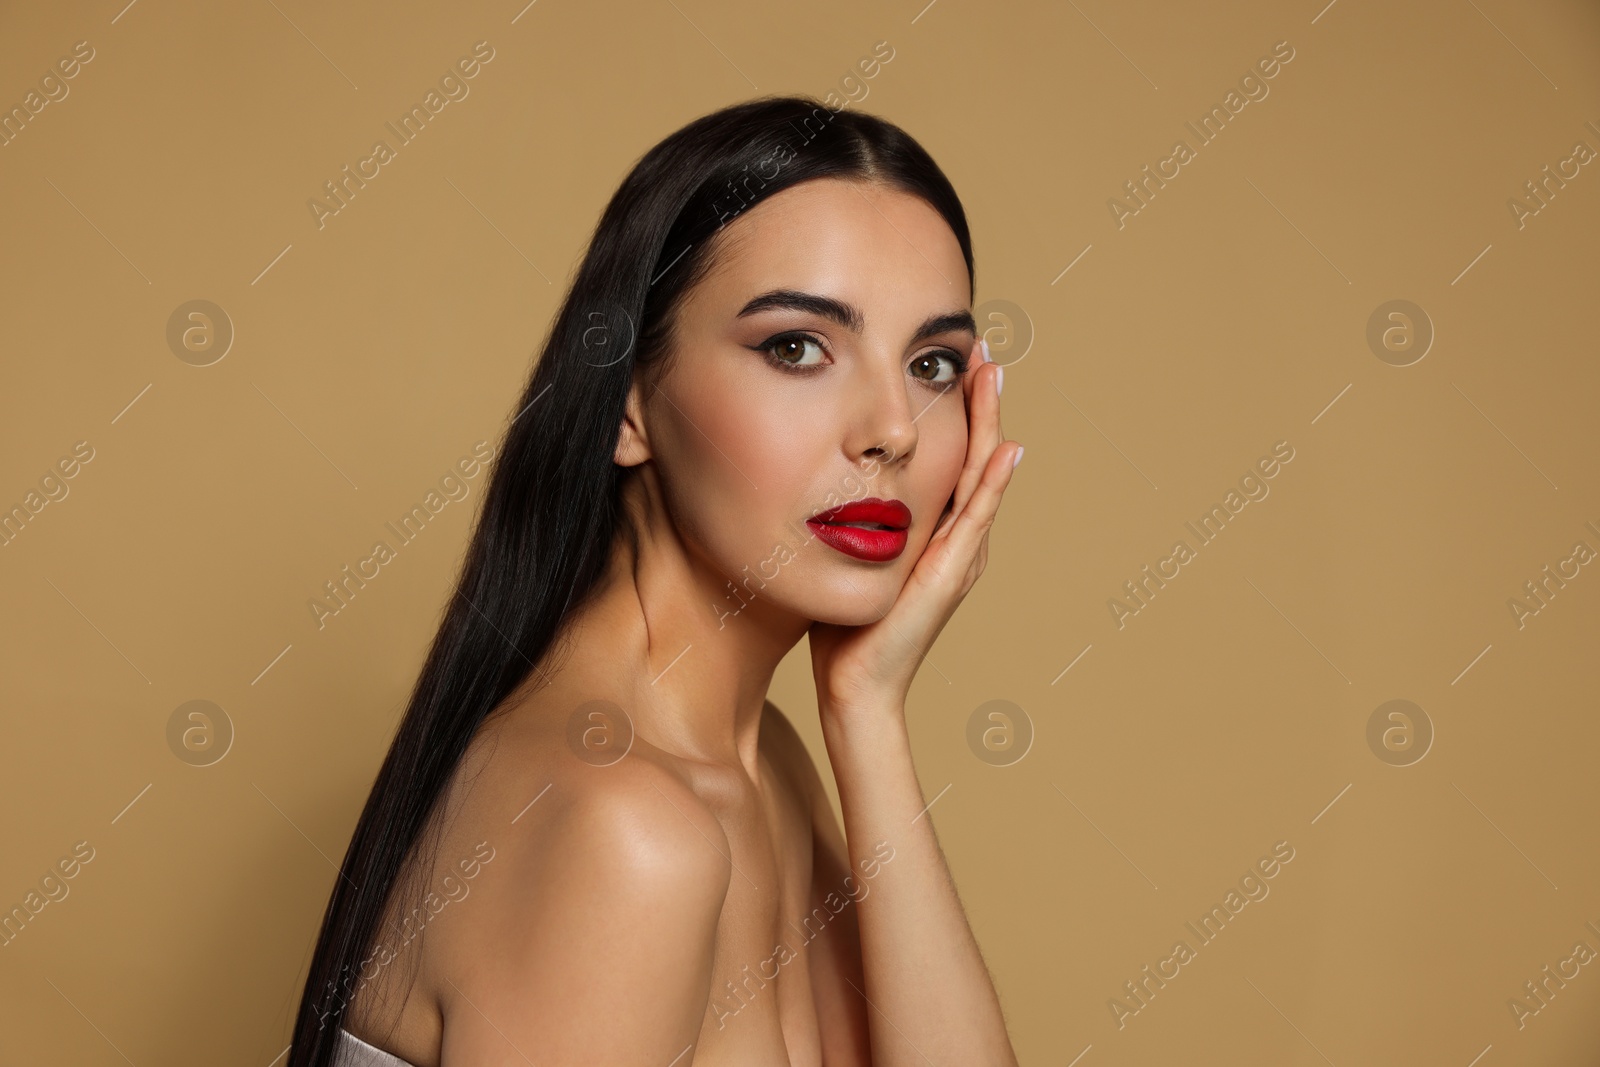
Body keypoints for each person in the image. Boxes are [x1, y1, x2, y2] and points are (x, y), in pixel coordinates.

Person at [288, 93, 1023, 1067]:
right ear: (626, 400)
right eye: (796, 346)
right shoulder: (625, 829)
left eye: (932, 364)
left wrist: (868, 707)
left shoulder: (766, 766)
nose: (892, 426)